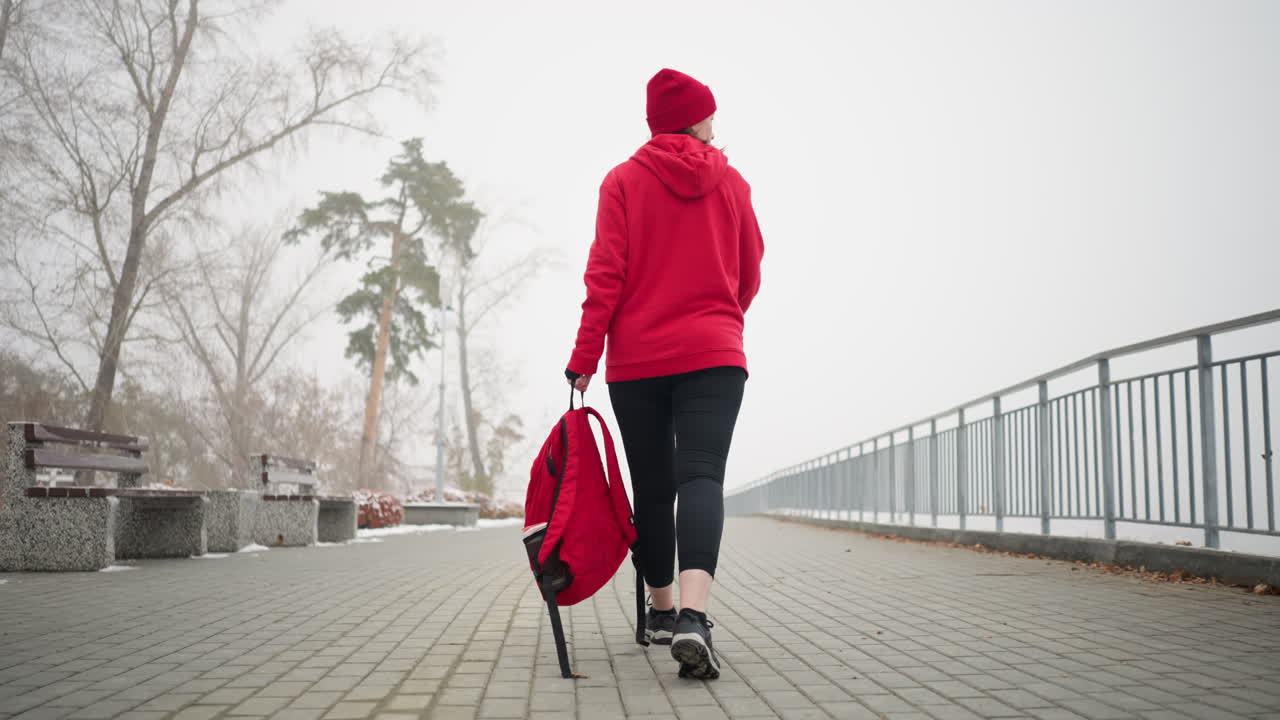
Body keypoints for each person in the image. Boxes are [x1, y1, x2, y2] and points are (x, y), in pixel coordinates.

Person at [564, 67, 764, 680]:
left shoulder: (622, 182)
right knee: (701, 476)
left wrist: (584, 358)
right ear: (697, 119)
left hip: (639, 360)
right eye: (710, 114)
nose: (714, 125)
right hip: (714, 353)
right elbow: (750, 269)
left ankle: (660, 610)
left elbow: (606, 276)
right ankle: (695, 618)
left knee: (653, 485)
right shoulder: (731, 183)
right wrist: (718, 321)